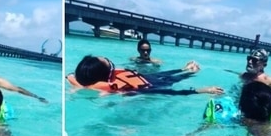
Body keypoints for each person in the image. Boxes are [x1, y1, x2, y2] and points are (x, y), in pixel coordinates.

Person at [66, 55, 224, 96]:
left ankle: (185, 69)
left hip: (149, 77)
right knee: (172, 81)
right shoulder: (118, 89)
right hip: (152, 86)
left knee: (164, 74)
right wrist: (202, 90)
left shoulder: (112, 76)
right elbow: (172, 93)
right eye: (107, 62)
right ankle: (189, 73)